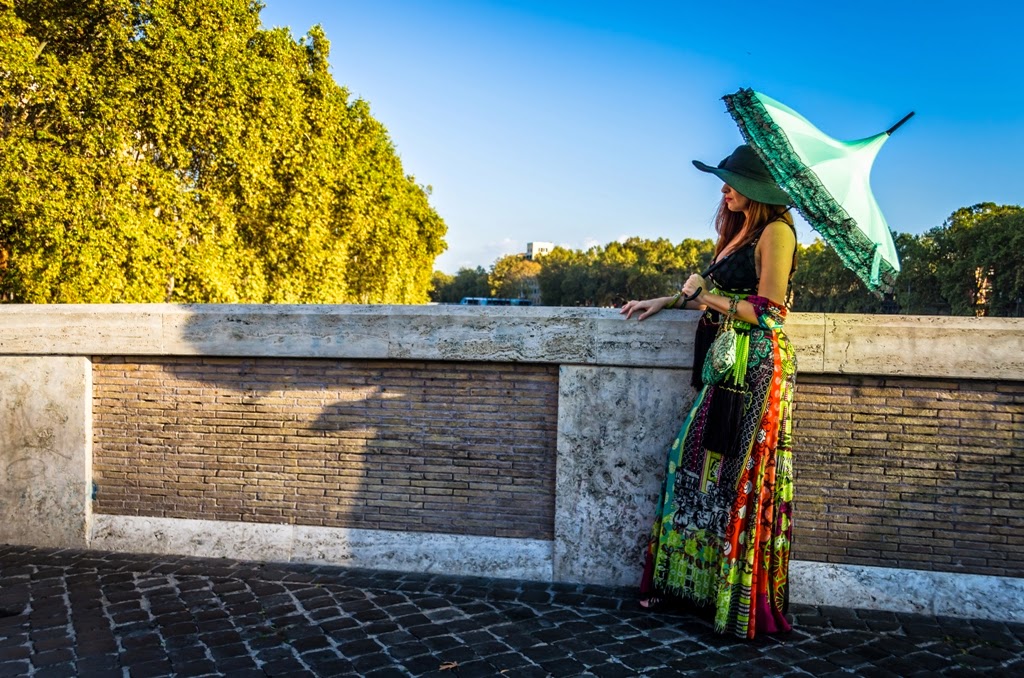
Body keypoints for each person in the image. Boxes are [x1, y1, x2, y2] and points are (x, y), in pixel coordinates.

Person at [620, 144, 797, 639]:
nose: (723, 190)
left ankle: (736, 602)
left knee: (738, 476)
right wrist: (668, 300)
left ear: (755, 189)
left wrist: (703, 296)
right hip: (724, 363)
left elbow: (770, 314)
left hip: (755, 368)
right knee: (697, 466)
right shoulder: (742, 230)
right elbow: (719, 295)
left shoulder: (777, 232)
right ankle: (695, 587)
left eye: (731, 182)